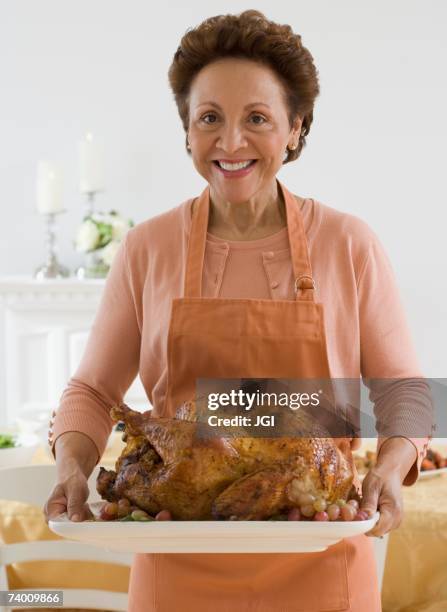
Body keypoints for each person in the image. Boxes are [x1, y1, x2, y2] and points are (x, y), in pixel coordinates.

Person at [44, 10, 432, 612]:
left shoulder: (348, 244)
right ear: (187, 132)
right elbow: (94, 390)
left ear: (294, 129)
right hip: (175, 569)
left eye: (257, 118)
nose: (230, 143)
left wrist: (390, 466)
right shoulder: (147, 248)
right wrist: (73, 466)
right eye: (209, 119)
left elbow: (405, 391)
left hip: (323, 563)